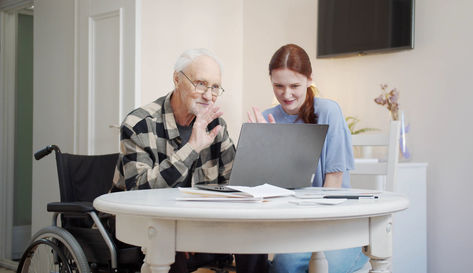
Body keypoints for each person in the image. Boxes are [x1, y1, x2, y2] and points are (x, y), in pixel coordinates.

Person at [112, 48, 267, 273]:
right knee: (169, 248)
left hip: (198, 227)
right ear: (177, 79)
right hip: (143, 228)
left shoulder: (216, 125)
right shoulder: (139, 124)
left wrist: (257, 150)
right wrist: (192, 147)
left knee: (254, 239)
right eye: (200, 83)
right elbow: (139, 191)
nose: (208, 95)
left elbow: (237, 184)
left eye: (215, 87)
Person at [248, 44, 369, 273]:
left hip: (334, 226)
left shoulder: (328, 112)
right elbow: (262, 192)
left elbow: (333, 183)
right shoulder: (266, 119)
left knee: (324, 265)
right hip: (292, 229)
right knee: (286, 264)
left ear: (309, 80)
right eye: (278, 86)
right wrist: (261, 147)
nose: (286, 94)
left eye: (294, 85)